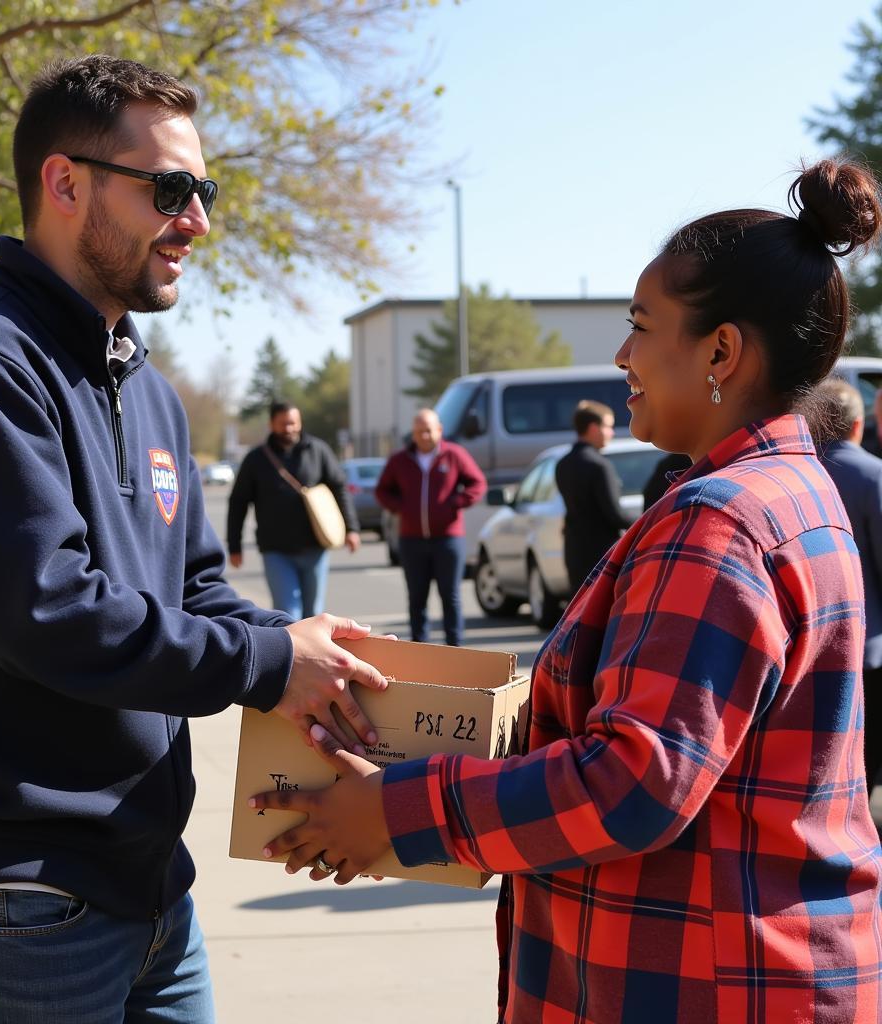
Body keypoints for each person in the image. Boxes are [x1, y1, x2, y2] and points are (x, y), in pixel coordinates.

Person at [253, 158, 882, 1023]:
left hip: (704, 981)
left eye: (640, 325)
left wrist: (396, 811)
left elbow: (634, 780)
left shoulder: (723, 520)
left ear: (722, 352)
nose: (621, 356)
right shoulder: (794, 491)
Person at [0, 55, 390, 1024]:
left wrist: (311, 653)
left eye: (205, 190)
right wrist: (265, 663)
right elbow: (45, 613)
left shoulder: (144, 384)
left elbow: (191, 591)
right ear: (65, 183)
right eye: (171, 190)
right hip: (6, 901)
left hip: (146, 890)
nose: (197, 220)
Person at [806, 377, 882, 804]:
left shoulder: (794, 473)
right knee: (862, 768)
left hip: (806, 649)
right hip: (868, 648)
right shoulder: (873, 474)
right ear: (857, 426)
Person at [227, 401, 360, 619]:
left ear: (300, 423)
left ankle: (313, 654)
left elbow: (339, 488)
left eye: (293, 423)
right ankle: (291, 654)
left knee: (314, 614)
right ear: (271, 424)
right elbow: (238, 502)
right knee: (287, 613)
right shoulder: (256, 459)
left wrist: (352, 529)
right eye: (283, 424)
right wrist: (234, 546)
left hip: (315, 546)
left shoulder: (318, 451)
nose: (289, 428)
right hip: (276, 550)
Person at [374, 408, 486, 646]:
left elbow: (477, 483)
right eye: (418, 431)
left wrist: (454, 504)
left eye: (428, 430)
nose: (424, 436)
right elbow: (382, 490)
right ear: (413, 434)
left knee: (451, 595)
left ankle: (456, 650)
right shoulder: (400, 460)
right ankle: (420, 649)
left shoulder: (454, 455)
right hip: (412, 539)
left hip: (448, 538)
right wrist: (401, 507)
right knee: (417, 598)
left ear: (439, 430)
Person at [554, 400, 633, 591]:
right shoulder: (599, 466)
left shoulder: (563, 463)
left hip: (573, 549)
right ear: (593, 428)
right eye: (608, 427)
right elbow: (614, 514)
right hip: (600, 552)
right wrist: (644, 523)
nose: (612, 433)